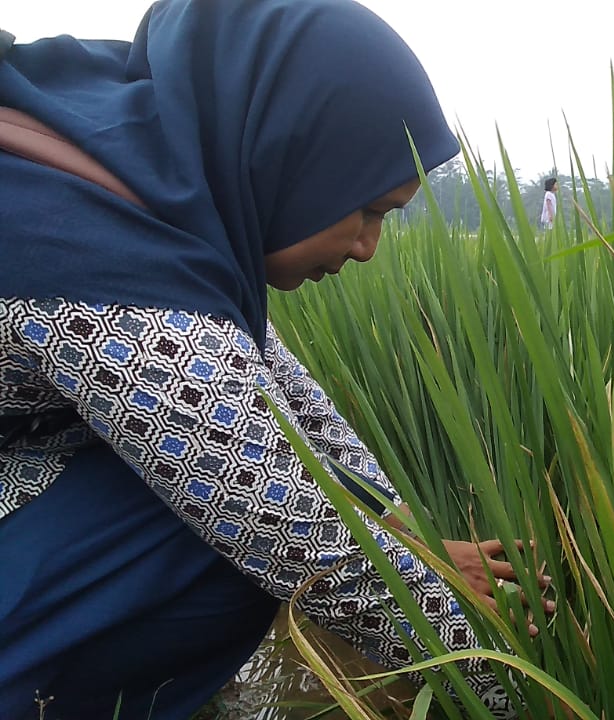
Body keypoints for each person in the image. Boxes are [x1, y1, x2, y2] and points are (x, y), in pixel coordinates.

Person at [0, 2, 545, 718]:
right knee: (214, 531)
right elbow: (301, 540)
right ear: (293, 151)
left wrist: (402, 531)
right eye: (369, 210)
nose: (367, 247)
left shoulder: (150, 194)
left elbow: (281, 394)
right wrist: (527, 694)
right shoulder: (99, 254)